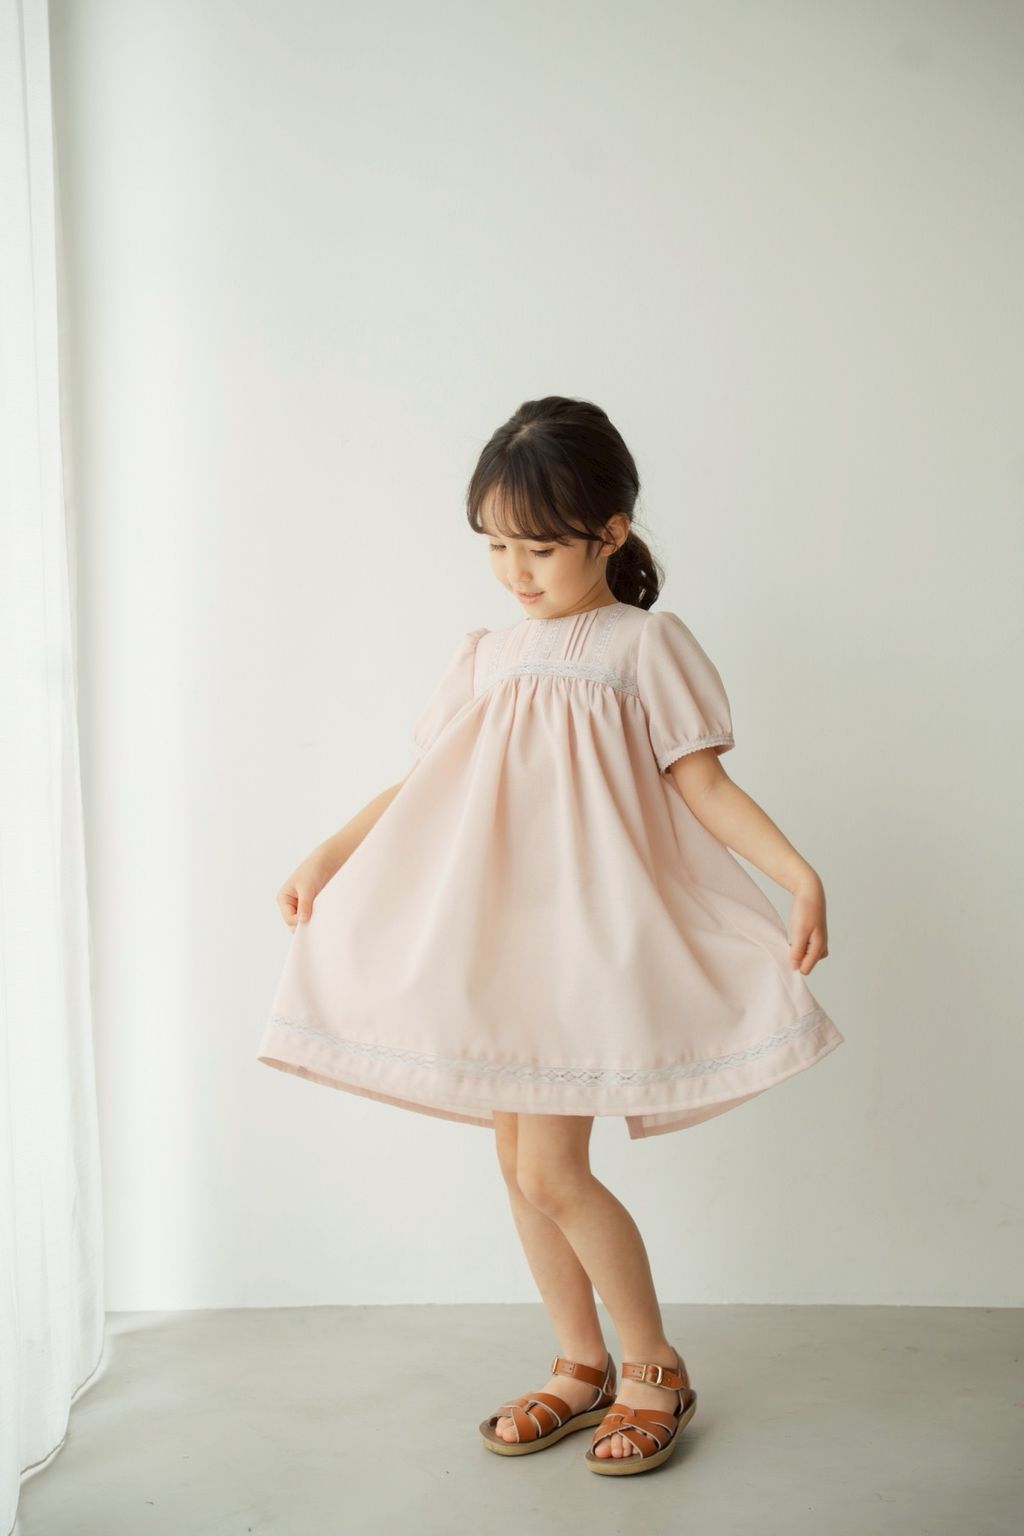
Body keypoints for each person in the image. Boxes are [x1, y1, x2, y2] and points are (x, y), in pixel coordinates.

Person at [256, 395, 844, 1475]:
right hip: (496, 939)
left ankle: (654, 1366)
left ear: (610, 532)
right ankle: (579, 1364)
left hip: (582, 944)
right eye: (495, 547)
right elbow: (424, 784)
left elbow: (704, 786)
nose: (514, 572)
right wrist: (329, 854)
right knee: (517, 1163)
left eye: (537, 547)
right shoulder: (486, 656)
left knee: (553, 1169)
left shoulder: (643, 645)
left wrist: (796, 873)